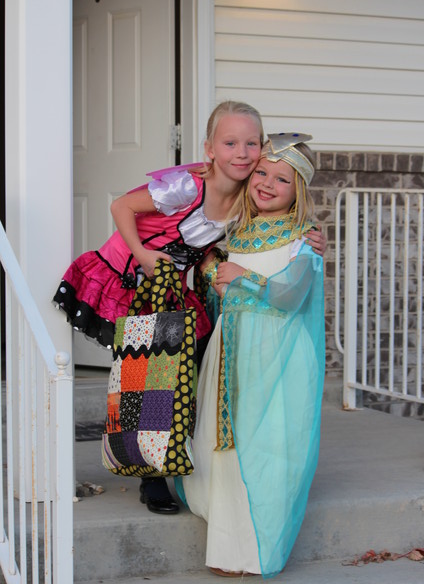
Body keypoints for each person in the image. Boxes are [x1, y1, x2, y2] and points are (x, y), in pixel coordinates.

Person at [53, 103, 326, 515]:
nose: (242, 152)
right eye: (230, 142)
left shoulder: (244, 197)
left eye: (251, 143)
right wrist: (143, 253)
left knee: (191, 365)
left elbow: (270, 219)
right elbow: (121, 207)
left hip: (171, 288)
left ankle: (177, 453)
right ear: (209, 149)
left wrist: (311, 234)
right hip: (132, 276)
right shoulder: (186, 185)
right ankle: (150, 477)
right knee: (146, 375)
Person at [179, 133, 326, 577]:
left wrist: (242, 277)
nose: (265, 182)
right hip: (233, 347)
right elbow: (216, 281)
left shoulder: (304, 239)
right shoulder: (238, 231)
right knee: (225, 444)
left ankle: (252, 550)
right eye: (261, 172)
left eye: (281, 179)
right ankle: (228, 546)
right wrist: (212, 274)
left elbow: (290, 295)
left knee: (266, 446)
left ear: (297, 191)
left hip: (277, 353)